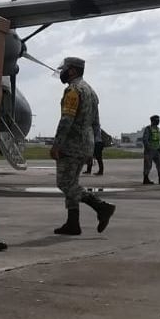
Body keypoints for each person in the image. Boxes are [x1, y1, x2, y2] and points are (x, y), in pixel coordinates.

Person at [51, 57, 115, 236]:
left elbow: (66, 119)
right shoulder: (91, 91)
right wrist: (93, 146)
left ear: (72, 71)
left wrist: (57, 144)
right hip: (86, 144)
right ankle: (73, 224)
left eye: (65, 69)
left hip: (72, 144)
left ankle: (101, 207)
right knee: (73, 183)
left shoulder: (73, 90)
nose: (62, 72)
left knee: (64, 183)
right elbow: (96, 123)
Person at [141, 115, 160, 184]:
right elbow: (145, 139)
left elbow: (159, 139)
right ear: (153, 121)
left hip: (158, 150)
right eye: (157, 120)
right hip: (150, 150)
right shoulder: (148, 128)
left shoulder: (158, 129)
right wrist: (148, 148)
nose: (158, 121)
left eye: (158, 120)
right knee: (148, 165)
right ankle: (146, 179)